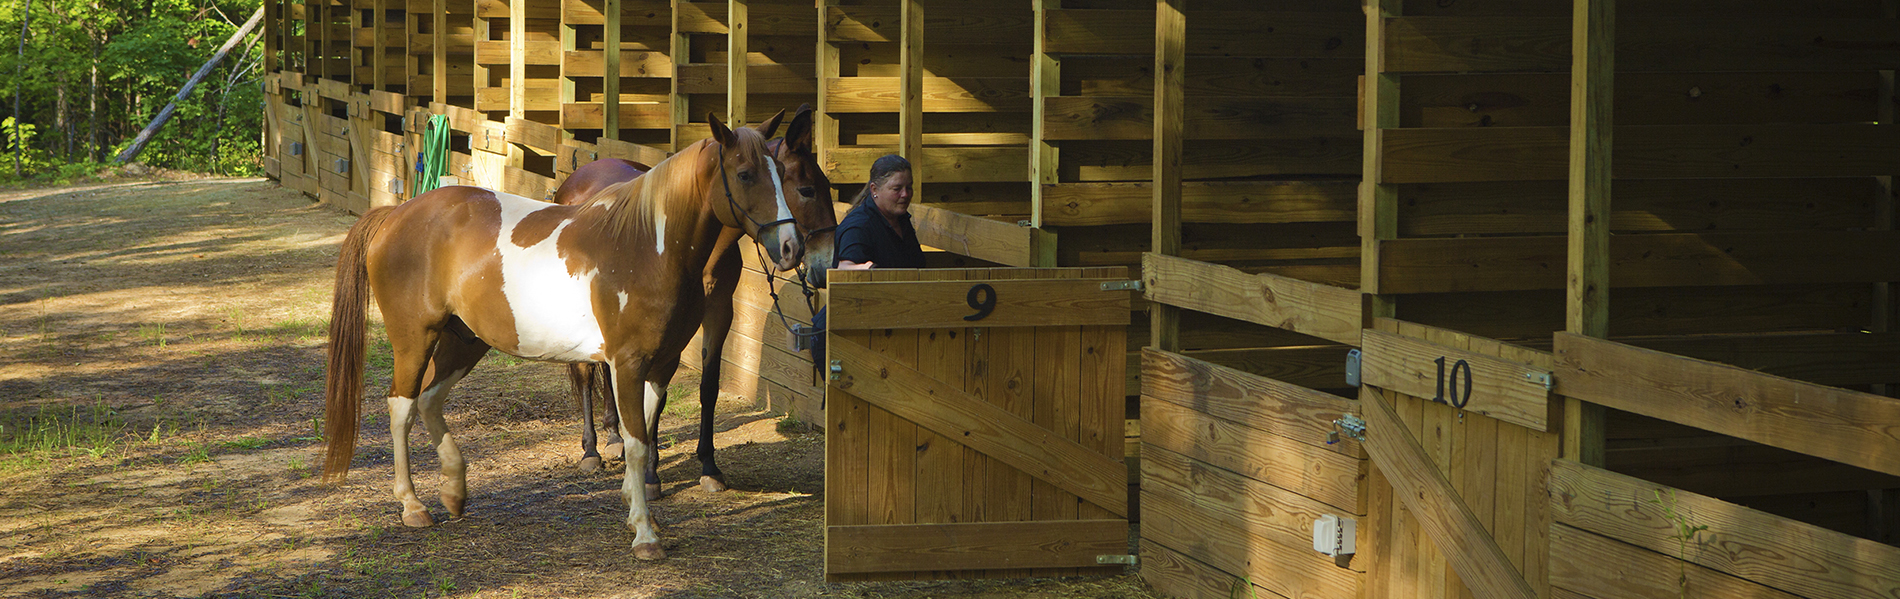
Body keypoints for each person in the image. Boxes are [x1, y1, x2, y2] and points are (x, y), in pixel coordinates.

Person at [811, 154, 922, 368]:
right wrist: (865, 269)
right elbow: (844, 269)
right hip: (842, 335)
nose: (905, 194)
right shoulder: (858, 226)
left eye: (909, 187)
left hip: (884, 329)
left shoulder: (902, 221)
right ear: (874, 190)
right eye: (897, 188)